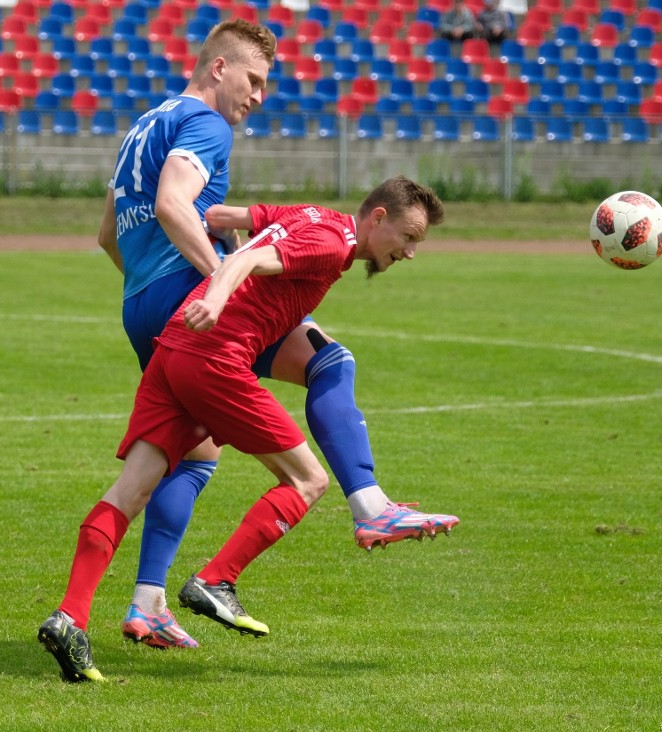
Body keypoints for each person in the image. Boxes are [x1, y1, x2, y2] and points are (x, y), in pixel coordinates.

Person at [95, 21, 460, 651]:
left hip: (142, 300)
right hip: (194, 299)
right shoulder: (206, 123)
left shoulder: (145, 125)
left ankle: (147, 601)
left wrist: (184, 274)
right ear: (219, 68)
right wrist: (222, 285)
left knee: (195, 451)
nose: (259, 97)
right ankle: (368, 505)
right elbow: (175, 207)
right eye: (254, 80)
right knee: (331, 366)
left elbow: (113, 234)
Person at [37, 177, 451, 683]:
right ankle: (217, 580)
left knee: (131, 490)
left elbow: (223, 219)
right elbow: (246, 260)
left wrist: (232, 254)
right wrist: (217, 298)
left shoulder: (311, 215)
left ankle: (69, 618)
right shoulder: (331, 241)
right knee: (308, 481)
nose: (410, 253)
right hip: (215, 356)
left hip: (173, 350)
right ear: (378, 218)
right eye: (409, 238)